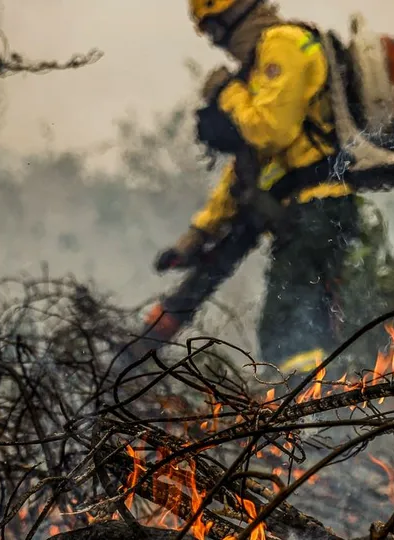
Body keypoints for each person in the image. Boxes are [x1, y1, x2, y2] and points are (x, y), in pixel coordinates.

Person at [153, 0, 360, 380]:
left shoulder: (283, 43)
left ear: (235, 14)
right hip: (303, 210)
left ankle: (305, 421)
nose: (216, 44)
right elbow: (247, 168)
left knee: (286, 331)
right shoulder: (259, 66)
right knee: (301, 324)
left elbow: (270, 131)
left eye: (214, 30)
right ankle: (315, 411)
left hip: (320, 206)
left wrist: (228, 94)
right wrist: (198, 234)